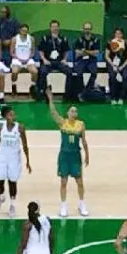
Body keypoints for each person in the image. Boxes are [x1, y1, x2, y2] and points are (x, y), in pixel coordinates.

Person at [47, 88, 89, 217]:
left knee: (80, 182)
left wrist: (87, 155)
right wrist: (50, 99)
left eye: (76, 111)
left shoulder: (81, 124)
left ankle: (82, 204)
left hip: (76, 155)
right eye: (72, 110)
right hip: (64, 155)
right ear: (67, 112)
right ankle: (63, 205)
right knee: (63, 182)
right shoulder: (63, 123)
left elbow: (84, 141)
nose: (74, 112)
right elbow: (53, 113)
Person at [0, 105, 32, 218]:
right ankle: (1, 197)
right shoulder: (0, 127)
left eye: (13, 114)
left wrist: (28, 160)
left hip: (14, 158)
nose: (13, 115)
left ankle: (12, 205)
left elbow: (25, 145)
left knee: (12, 182)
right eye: (10, 114)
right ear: (5, 116)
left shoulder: (20, 128)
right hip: (2, 157)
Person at [37, 20, 71, 100]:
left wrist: (65, 59)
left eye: (56, 27)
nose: (55, 28)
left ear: (59, 28)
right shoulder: (45, 38)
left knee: (69, 72)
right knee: (43, 72)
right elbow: (40, 51)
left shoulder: (63, 38)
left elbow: (66, 51)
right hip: (48, 62)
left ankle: (67, 94)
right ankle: (44, 93)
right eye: (53, 27)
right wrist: (44, 59)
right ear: (50, 28)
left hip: (59, 62)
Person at [105, 28, 127, 105]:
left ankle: (121, 97)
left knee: (125, 77)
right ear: (114, 34)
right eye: (116, 33)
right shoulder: (110, 42)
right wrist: (113, 65)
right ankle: (113, 98)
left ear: (122, 35)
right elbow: (106, 56)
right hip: (112, 64)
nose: (118, 35)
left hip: (123, 64)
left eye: (120, 33)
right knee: (112, 76)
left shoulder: (126, 43)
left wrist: (122, 67)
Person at [72, 21, 101, 95]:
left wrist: (85, 51)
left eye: (88, 29)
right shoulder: (79, 40)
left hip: (92, 61)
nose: (87, 30)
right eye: (85, 29)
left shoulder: (96, 40)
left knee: (94, 73)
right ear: (83, 30)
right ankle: (81, 91)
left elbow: (96, 54)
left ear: (91, 29)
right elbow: (77, 54)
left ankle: (87, 90)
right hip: (81, 60)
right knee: (79, 73)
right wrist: (90, 52)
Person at [10, 23, 37, 96]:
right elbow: (11, 52)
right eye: (23, 31)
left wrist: (28, 58)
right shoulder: (15, 39)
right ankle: (14, 86)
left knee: (35, 71)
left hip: (28, 60)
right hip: (17, 60)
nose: (24, 32)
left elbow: (33, 51)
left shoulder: (31, 38)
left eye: (26, 31)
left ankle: (32, 87)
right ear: (20, 31)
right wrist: (19, 59)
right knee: (14, 72)